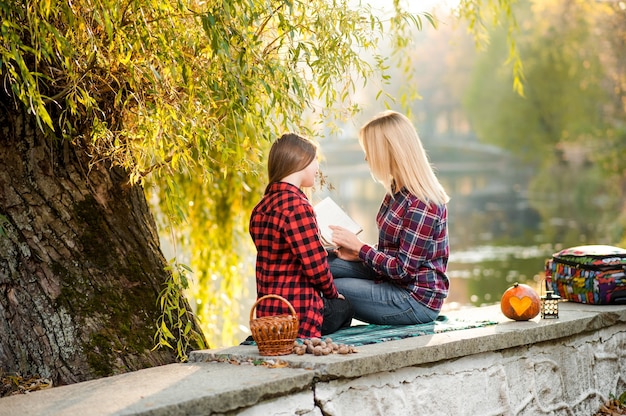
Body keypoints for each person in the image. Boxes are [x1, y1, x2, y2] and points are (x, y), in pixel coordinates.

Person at [327, 110, 450, 325]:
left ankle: (324, 325)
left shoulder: (423, 202)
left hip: (414, 300)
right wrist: (357, 253)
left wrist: (360, 249)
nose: (366, 157)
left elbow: (403, 271)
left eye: (370, 150)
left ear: (389, 150)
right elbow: (395, 250)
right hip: (391, 280)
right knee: (323, 264)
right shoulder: (397, 189)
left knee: (331, 286)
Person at [249, 133, 353, 339]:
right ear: (301, 161)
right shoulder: (297, 206)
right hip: (299, 313)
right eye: (315, 160)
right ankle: (317, 345)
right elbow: (316, 267)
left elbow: (281, 257)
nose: (317, 167)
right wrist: (334, 295)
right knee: (346, 307)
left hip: (268, 314)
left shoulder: (260, 207)